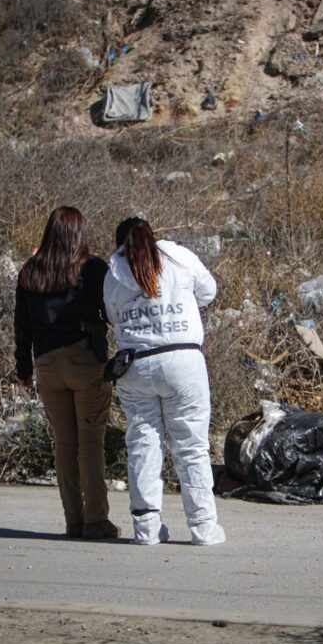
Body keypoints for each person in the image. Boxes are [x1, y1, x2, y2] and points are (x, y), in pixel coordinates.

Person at [103, 217, 226, 546]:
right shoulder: (177, 256)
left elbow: (112, 316)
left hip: (136, 366)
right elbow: (208, 290)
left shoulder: (113, 272)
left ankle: (146, 529)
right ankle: (203, 527)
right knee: (191, 447)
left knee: (143, 445)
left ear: (119, 244)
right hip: (182, 361)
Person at [14, 206, 118, 540]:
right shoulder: (92, 269)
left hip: (46, 364)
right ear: (79, 235)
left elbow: (22, 326)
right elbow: (112, 310)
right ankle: (96, 520)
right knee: (90, 441)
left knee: (64, 443)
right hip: (84, 359)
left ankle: (73, 520)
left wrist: (24, 369)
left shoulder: (30, 272)